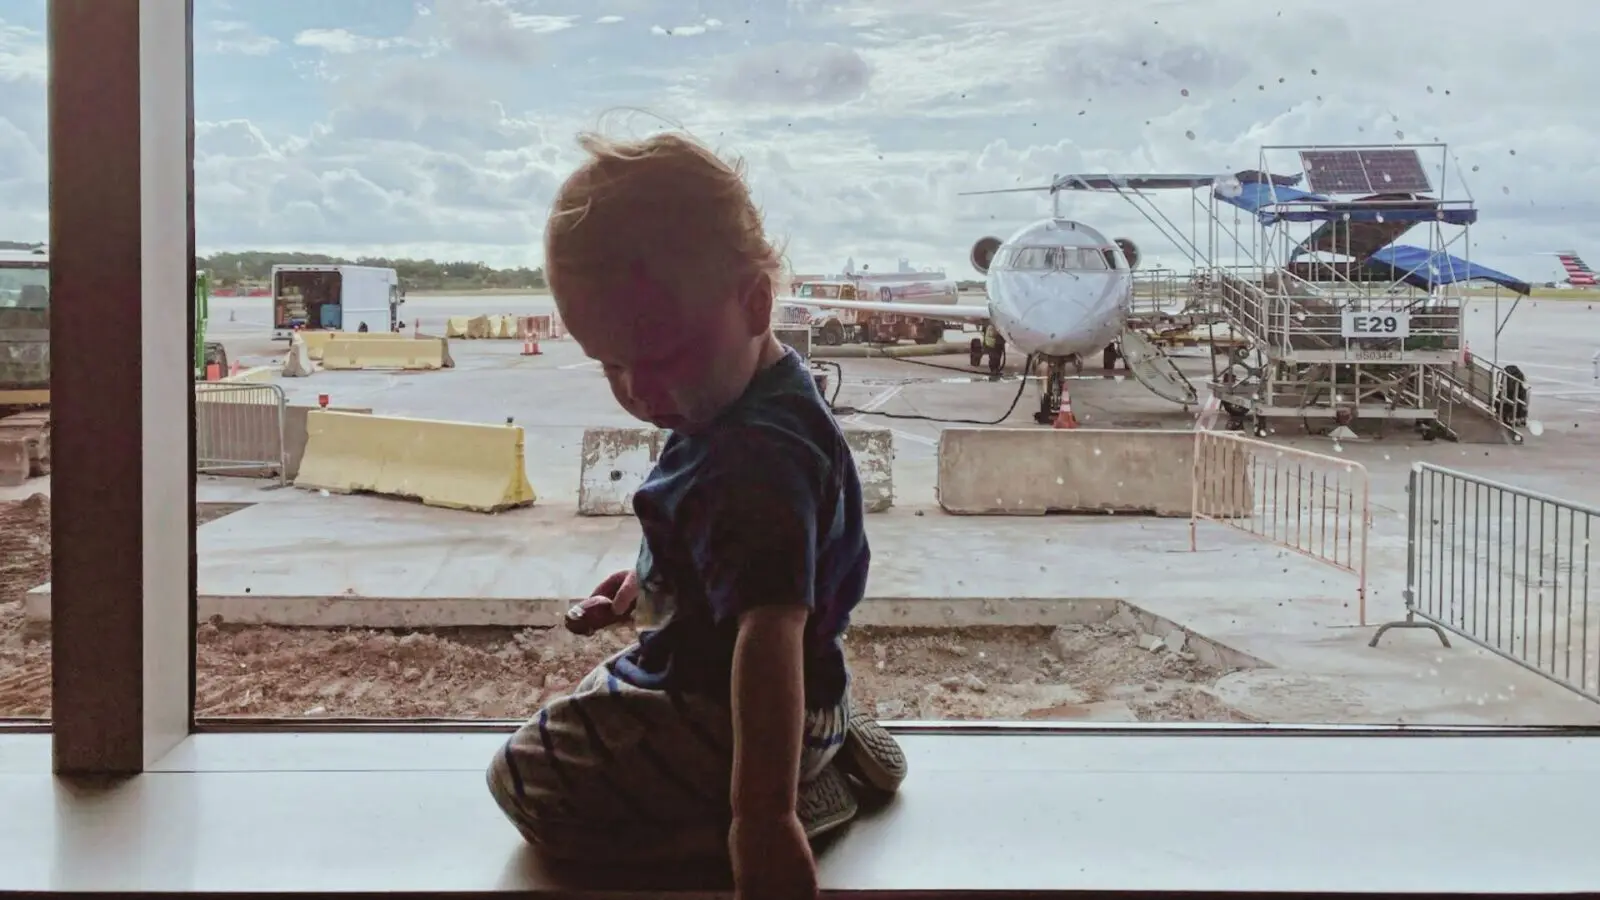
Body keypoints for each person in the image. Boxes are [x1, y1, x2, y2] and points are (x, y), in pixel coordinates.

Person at [486, 129, 907, 900]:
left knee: (521, 778)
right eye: (611, 364)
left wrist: (762, 822)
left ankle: (789, 798)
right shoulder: (750, 395)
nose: (641, 391)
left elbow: (768, 635)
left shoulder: (754, 461)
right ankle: (831, 741)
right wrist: (645, 585)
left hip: (749, 709)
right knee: (598, 697)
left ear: (755, 303)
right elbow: (730, 554)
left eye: (662, 355)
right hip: (810, 684)